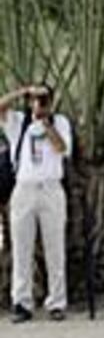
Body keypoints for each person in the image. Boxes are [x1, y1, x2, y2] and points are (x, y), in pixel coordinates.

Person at [0, 84, 72, 323]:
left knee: (55, 248)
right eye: (35, 100)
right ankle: (22, 302)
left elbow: (62, 148)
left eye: (44, 100)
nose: (39, 104)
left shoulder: (60, 122)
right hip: (24, 189)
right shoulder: (18, 123)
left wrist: (46, 123)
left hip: (51, 189)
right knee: (21, 248)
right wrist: (23, 91)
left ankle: (57, 302)